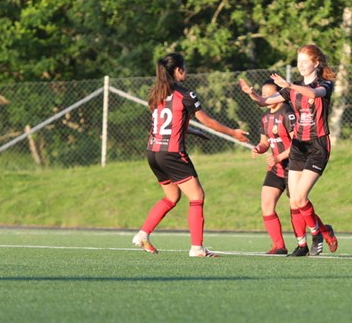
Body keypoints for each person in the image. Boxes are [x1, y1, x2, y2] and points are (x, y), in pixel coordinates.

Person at [132, 53, 249, 256]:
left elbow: (165, 123)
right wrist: (233, 133)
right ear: (178, 70)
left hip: (153, 152)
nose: (186, 71)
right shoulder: (186, 94)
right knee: (197, 196)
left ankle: (142, 235)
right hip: (172, 153)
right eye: (184, 67)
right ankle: (197, 248)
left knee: (172, 196)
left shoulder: (156, 93)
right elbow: (208, 121)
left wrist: (191, 130)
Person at [239, 44, 338, 256]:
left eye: (305, 62)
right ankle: (307, 241)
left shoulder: (325, 84)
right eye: (298, 62)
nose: (300, 65)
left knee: (300, 197)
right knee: (294, 200)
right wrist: (251, 93)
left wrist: (290, 85)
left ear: (316, 63)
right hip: (299, 147)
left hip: (317, 145)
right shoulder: (292, 89)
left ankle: (317, 234)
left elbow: (313, 93)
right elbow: (264, 102)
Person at [249, 80, 298, 255]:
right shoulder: (265, 118)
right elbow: (264, 142)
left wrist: (279, 157)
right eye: (264, 94)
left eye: (271, 94)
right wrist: (258, 148)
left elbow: (297, 143)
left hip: (294, 166)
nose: (267, 97)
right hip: (277, 168)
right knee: (267, 204)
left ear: (280, 95)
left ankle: (323, 230)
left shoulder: (288, 113)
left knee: (299, 205)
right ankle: (279, 246)